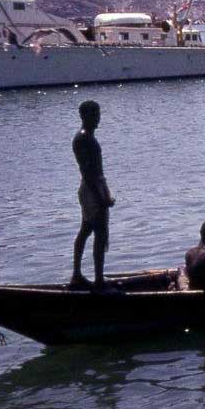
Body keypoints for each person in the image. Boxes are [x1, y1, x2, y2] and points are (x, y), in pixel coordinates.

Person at [71, 100, 116, 291]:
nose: (98, 118)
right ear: (83, 116)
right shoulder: (83, 139)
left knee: (88, 230)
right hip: (91, 190)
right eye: (93, 114)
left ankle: (80, 276)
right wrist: (100, 197)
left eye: (98, 114)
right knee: (99, 233)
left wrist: (105, 190)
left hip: (96, 186)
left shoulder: (88, 137)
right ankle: (97, 281)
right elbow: (88, 172)